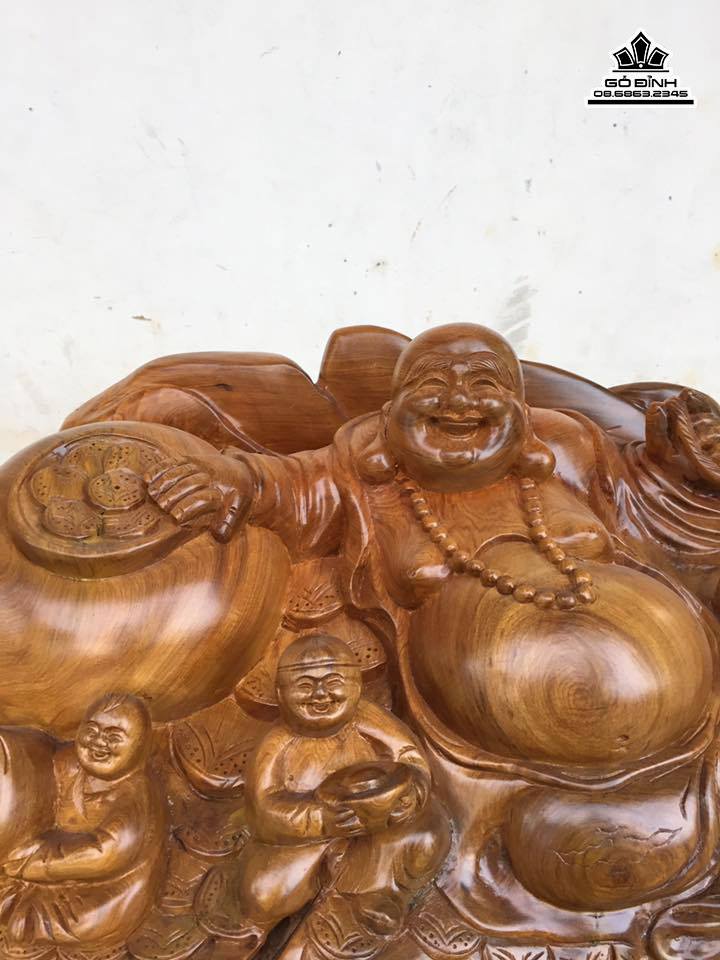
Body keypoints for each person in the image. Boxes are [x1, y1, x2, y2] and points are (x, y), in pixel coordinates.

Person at [148, 324, 720, 952]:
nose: (459, 401)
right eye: (432, 383)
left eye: (484, 383)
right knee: (569, 860)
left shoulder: (565, 448)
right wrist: (229, 481)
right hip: (496, 747)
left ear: (519, 405)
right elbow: (279, 486)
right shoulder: (358, 469)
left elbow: (651, 503)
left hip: (691, 714)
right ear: (393, 408)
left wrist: (685, 468)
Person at [195, 634, 450, 956]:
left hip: (379, 828)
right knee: (263, 893)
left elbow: (410, 760)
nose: (320, 694)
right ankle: (253, 932)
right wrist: (321, 819)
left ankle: (385, 893)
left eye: (333, 683)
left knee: (429, 831)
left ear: (357, 686)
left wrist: (408, 795)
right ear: (281, 694)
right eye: (304, 685)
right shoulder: (278, 742)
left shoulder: (370, 719)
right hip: (304, 840)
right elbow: (263, 809)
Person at [0, 693, 166, 947]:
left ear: (140, 746)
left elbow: (106, 853)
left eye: (114, 737)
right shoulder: (69, 760)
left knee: (92, 921)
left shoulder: (134, 798)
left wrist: (33, 864)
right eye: (91, 731)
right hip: (48, 853)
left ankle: (27, 918)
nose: (99, 742)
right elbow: (41, 756)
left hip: (108, 886)